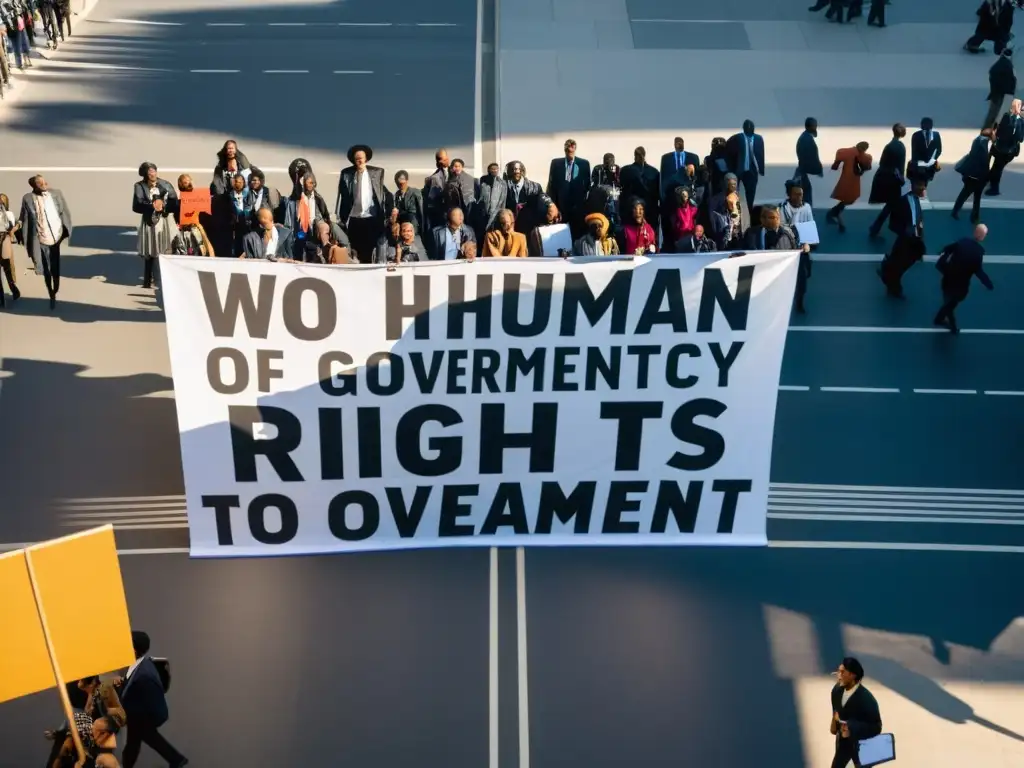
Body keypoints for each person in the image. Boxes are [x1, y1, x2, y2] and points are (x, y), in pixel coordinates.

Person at [116, 631, 188, 768]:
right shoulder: (138, 667)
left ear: (134, 649)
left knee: (142, 741)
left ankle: (177, 759)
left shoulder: (145, 674)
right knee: (137, 743)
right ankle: (177, 759)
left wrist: (145, 719)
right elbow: (132, 687)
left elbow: (152, 700)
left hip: (141, 716)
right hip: (137, 716)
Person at [18, 174, 73, 310]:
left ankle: (56, 287)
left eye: (44, 182)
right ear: (34, 186)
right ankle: (51, 293)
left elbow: (65, 211)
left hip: (56, 236)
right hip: (40, 238)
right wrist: (17, 228)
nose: (44, 184)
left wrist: (66, 229)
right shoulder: (28, 199)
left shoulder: (56, 193)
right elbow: (23, 218)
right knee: (45, 268)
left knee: (55, 267)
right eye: (40, 183)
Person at [934, 224, 994, 334]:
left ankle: (943, 320)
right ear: (982, 236)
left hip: (949, 277)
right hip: (961, 284)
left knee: (948, 301)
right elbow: (978, 271)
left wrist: (942, 251)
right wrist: (987, 283)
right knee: (951, 303)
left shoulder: (963, 241)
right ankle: (948, 323)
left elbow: (950, 247)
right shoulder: (978, 252)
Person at [336, 144, 388, 264]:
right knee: (355, 247)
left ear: (366, 159)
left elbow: (381, 192)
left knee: (370, 247)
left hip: (371, 216)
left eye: (361, 157)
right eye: (357, 158)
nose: (359, 160)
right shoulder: (348, 174)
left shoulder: (376, 173)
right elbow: (343, 195)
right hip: (355, 216)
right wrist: (340, 215)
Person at [829, 657, 882, 768]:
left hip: (861, 747)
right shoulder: (836, 691)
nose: (839, 675)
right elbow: (835, 713)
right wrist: (835, 723)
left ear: (853, 675)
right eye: (838, 671)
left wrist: (851, 727)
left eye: (842, 672)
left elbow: (877, 726)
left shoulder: (866, 698)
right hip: (843, 745)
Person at [133, 162, 178, 289]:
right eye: (149, 172)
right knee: (150, 251)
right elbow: (136, 205)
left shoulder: (165, 184)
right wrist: (151, 205)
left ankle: (167, 280)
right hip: (150, 221)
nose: (152, 174)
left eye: (154, 171)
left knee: (167, 249)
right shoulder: (139, 186)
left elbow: (174, 202)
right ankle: (148, 280)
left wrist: (164, 206)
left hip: (164, 220)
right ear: (145, 174)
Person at [878, 180, 927, 298]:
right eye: (920, 185)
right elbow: (893, 223)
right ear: (913, 187)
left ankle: (888, 275)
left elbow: (918, 220)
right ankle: (894, 286)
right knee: (901, 265)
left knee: (903, 263)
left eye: (923, 186)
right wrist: (904, 232)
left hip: (914, 239)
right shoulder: (902, 202)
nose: (923, 188)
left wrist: (919, 234)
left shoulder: (915, 200)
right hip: (906, 240)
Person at [546, 138, 591, 238]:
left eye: (572, 150)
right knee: (561, 235)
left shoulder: (584, 164)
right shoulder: (556, 164)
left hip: (577, 207)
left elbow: (587, 186)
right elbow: (551, 185)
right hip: (561, 206)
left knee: (577, 234)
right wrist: (552, 205)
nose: (570, 153)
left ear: (575, 149)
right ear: (564, 150)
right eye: (567, 151)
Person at [868, 123, 907, 237]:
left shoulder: (889, 145)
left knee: (892, 205)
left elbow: (882, 162)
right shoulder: (900, 146)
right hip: (893, 180)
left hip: (885, 177)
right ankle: (879, 227)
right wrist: (901, 179)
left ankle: (877, 227)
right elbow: (900, 166)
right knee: (893, 205)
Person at [827, 142, 872, 233]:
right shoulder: (864, 156)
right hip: (851, 180)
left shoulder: (846, 152)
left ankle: (834, 213)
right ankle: (835, 214)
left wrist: (835, 165)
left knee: (849, 198)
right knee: (850, 198)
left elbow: (838, 158)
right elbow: (867, 166)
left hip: (849, 180)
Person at [951, 128, 993, 223]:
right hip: (977, 177)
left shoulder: (978, 140)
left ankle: (958, 211)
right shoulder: (983, 144)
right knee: (974, 196)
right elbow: (984, 162)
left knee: (966, 194)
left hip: (972, 176)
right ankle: (974, 217)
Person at [726, 119, 765, 216]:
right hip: (739, 169)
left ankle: (750, 211)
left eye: (751, 127)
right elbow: (729, 154)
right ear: (744, 128)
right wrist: (731, 170)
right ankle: (735, 211)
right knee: (734, 191)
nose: (750, 129)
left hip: (752, 169)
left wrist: (761, 169)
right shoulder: (736, 138)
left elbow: (761, 154)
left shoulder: (758, 139)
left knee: (751, 192)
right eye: (747, 127)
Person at [986, 98, 1024, 195]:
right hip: (1011, 151)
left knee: (996, 168)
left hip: (1001, 149)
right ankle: (989, 181)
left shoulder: (1007, 116)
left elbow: (1000, 132)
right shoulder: (1021, 121)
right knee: (997, 168)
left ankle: (994, 188)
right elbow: (1020, 138)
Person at [984, 48, 1016, 130]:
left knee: (995, 110)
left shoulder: (1002, 63)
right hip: (999, 92)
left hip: (998, 91)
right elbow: (1011, 80)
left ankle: (990, 126)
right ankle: (987, 128)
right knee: (994, 110)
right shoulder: (1006, 64)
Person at [907, 118, 942, 188]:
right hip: (919, 165)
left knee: (924, 184)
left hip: (929, 165)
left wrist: (933, 159)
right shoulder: (916, 135)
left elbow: (939, 149)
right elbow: (914, 152)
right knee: (917, 185)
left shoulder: (936, 135)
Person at [795, 117, 824, 206]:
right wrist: (818, 169)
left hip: (801, 169)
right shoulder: (807, 139)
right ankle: (805, 212)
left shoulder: (804, 137)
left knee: (803, 191)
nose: (816, 127)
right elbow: (812, 156)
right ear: (811, 126)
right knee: (804, 192)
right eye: (815, 126)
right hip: (802, 170)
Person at [0, 192, 21, 307]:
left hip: (4, 240)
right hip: (4, 240)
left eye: (2, 202)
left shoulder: (8, 214)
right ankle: (2, 296)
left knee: (7, 268)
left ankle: (13, 289)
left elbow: (11, 226)